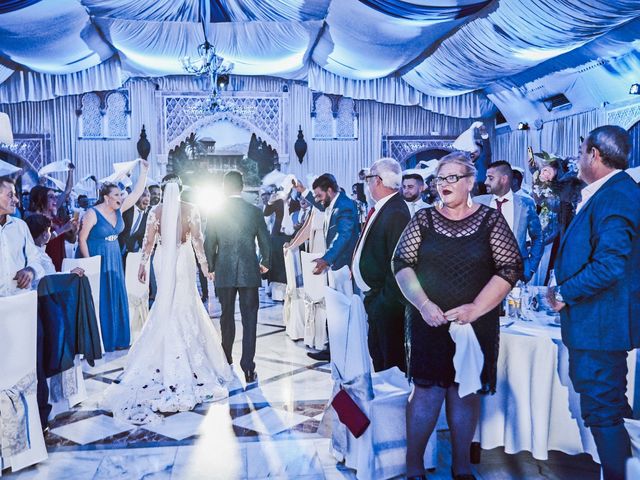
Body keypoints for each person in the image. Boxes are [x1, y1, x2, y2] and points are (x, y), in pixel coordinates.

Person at [393, 153, 522, 480]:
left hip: (474, 324)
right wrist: (423, 304)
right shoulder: (423, 219)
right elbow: (402, 264)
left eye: (453, 178)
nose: (444, 184)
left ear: (469, 182)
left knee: (465, 391)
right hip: (429, 320)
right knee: (426, 393)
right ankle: (414, 466)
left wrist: (476, 309)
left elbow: (510, 268)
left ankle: (462, 466)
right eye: (440, 178)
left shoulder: (491, 220)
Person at [547, 126, 640, 480]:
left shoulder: (617, 195)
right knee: (609, 408)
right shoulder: (610, 191)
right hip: (597, 323)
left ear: (595, 155)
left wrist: (564, 292)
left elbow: (611, 264)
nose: (578, 156)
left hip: (601, 325)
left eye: (581, 149)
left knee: (603, 412)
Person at [103, 177, 232, 425]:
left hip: (162, 259)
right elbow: (197, 242)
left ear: (162, 192)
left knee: (166, 301)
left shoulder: (155, 211)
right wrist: (205, 269)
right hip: (184, 260)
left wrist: (142, 265)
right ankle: (191, 361)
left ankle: (165, 353)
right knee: (186, 303)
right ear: (181, 190)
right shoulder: (191, 210)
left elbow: (148, 242)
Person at [205, 170, 271, 383]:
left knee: (226, 317)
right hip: (249, 271)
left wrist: (212, 267)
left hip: (224, 270)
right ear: (242, 187)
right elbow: (265, 241)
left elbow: (209, 243)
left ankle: (226, 360)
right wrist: (265, 262)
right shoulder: (254, 211)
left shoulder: (215, 212)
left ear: (224, 188)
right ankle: (248, 367)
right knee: (250, 319)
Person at [77, 160, 149, 352]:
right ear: (106, 198)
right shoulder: (92, 213)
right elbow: (82, 239)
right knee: (100, 296)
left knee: (115, 293)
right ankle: (102, 340)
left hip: (114, 255)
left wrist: (143, 172)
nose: (120, 197)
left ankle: (118, 339)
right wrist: (88, 263)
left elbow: (135, 194)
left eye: (120, 194)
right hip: (96, 255)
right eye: (116, 195)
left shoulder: (119, 209)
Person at [353, 158, 410, 372]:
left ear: (377, 180)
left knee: (390, 363)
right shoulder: (385, 208)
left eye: (368, 180)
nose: (367, 185)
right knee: (379, 354)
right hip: (377, 298)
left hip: (386, 303)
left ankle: (392, 405)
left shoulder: (395, 212)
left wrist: (382, 303)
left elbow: (399, 264)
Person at [295, 173, 360, 361]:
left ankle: (343, 351)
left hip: (343, 266)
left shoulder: (345, 206)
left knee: (343, 310)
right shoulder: (332, 203)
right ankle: (334, 348)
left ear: (329, 191)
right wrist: (304, 191)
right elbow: (318, 204)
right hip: (335, 265)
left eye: (319, 195)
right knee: (334, 308)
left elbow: (344, 236)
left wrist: (326, 259)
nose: (317, 199)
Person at [477, 161, 543, 282]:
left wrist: (531, 268)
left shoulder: (525, 204)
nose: (486, 182)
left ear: (504, 179)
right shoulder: (478, 203)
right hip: (482, 274)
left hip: (516, 274)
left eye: (490, 178)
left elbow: (538, 237)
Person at [0, 176, 45, 296]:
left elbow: (36, 258)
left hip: (21, 300)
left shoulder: (20, 226)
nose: (16, 200)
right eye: (10, 195)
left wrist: (31, 270)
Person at [27, 181, 77, 271]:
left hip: (60, 259)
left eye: (55, 197)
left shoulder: (55, 218)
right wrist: (63, 229)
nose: (55, 199)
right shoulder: (34, 218)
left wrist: (73, 229)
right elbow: (39, 242)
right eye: (51, 197)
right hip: (44, 262)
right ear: (41, 199)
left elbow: (71, 240)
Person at [119, 187, 150, 257]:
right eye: (144, 195)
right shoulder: (127, 208)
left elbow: (141, 237)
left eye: (148, 196)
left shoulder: (148, 215)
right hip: (115, 250)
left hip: (130, 254)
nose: (147, 199)